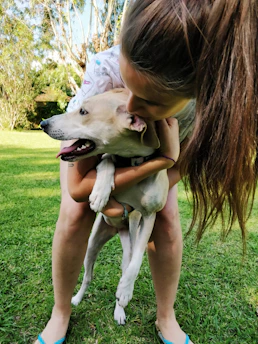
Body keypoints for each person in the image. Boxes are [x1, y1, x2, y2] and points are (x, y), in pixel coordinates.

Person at [36, 1, 258, 343]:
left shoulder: (208, 102)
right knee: (73, 213)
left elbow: (183, 162)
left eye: (150, 101)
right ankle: (60, 312)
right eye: (128, 87)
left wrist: (159, 174)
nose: (132, 108)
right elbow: (80, 187)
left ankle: (165, 316)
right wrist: (161, 160)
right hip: (106, 154)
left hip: (157, 163)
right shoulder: (103, 73)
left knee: (167, 218)